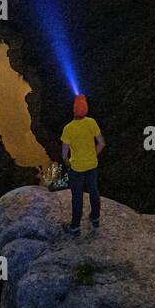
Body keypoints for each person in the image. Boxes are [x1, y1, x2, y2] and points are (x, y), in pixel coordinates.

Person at [61, 94, 104, 234]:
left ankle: (75, 226)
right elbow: (102, 143)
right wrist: (93, 155)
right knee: (94, 192)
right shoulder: (92, 122)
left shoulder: (68, 128)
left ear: (74, 110)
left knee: (77, 197)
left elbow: (64, 154)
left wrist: (68, 164)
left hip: (77, 168)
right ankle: (95, 218)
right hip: (92, 165)